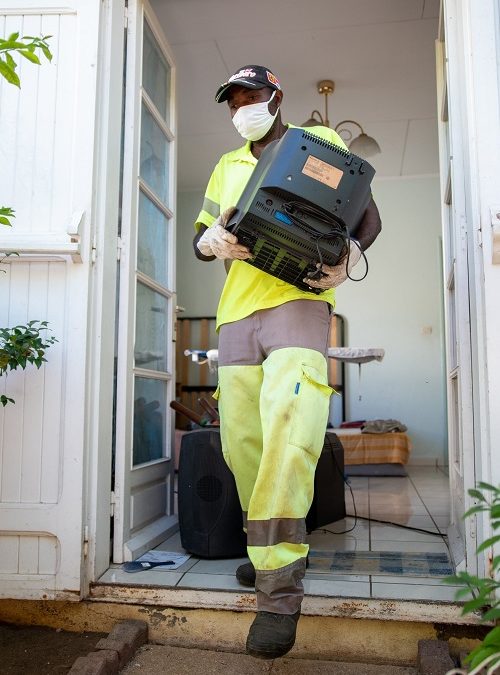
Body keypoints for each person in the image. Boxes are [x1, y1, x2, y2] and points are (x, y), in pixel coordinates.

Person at [192, 65, 381, 660]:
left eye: (253, 96)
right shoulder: (227, 165)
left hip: (299, 301)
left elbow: (365, 217)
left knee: (290, 434)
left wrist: (349, 255)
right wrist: (210, 241)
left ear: (278, 98)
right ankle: (263, 552)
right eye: (234, 101)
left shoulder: (319, 144)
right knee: (243, 445)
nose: (243, 107)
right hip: (236, 315)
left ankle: (278, 592)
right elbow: (204, 237)